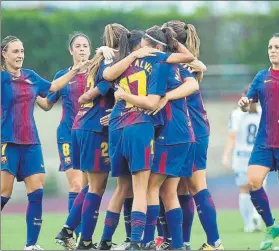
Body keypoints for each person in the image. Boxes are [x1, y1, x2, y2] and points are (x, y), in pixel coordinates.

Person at [54, 24, 158, 251]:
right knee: (97, 187)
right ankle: (85, 240)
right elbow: (92, 93)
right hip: (95, 126)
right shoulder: (114, 62)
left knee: (93, 185)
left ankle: (71, 231)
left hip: (84, 125)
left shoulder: (100, 57)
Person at [94, 25, 197, 250]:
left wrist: (123, 93)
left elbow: (105, 76)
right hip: (147, 127)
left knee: (126, 188)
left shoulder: (124, 61)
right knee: (157, 189)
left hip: (120, 126)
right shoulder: (161, 62)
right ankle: (145, 242)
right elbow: (193, 68)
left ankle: (109, 241)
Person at [1, 35, 89, 250]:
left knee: (37, 191)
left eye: (22, 51)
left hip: (31, 142)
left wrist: (76, 70)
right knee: (5, 192)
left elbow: (53, 86)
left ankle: (31, 245)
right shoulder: (2, 79)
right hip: (8, 141)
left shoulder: (31, 76)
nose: (20, 55)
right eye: (15, 51)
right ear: (4, 54)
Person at [152, 20, 223, 251]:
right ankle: (183, 243)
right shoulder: (177, 63)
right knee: (179, 188)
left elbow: (198, 65)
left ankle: (214, 242)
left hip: (192, 129)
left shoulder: (186, 64)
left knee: (195, 185)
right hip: (190, 128)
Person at [36, 33, 91, 239]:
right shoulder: (63, 75)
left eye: (85, 45)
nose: (82, 49)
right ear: (71, 50)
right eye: (78, 46)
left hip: (91, 135)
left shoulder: (97, 73)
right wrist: (30, 92)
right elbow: (47, 104)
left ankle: (85, 234)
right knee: (76, 184)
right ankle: (73, 235)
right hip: (68, 135)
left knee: (90, 186)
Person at [237, 33, 279, 250]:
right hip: (264, 141)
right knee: (253, 181)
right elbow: (247, 103)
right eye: (270, 46)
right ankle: (271, 227)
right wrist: (244, 103)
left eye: (277, 47)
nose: (272, 50)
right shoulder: (262, 76)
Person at [222, 88, 264, 233]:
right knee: (258, 188)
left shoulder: (237, 114)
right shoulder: (264, 112)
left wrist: (226, 155)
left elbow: (232, 136)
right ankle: (256, 216)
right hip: (259, 155)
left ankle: (248, 223)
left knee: (244, 190)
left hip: (242, 156)